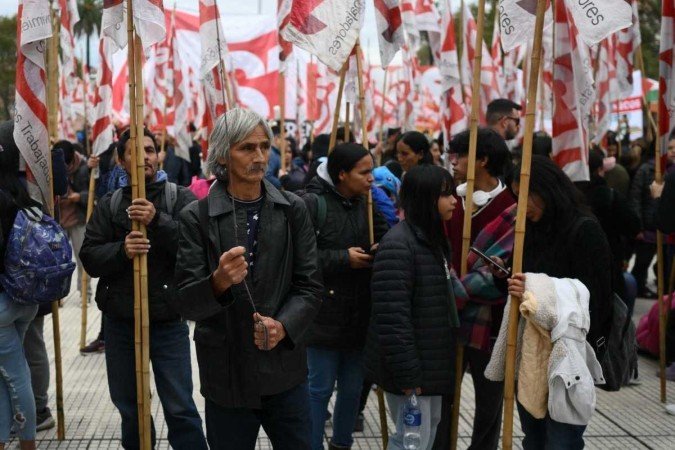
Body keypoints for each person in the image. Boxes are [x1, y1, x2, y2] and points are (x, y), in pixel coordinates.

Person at [174, 108, 322, 450]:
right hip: (226, 374)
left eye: (263, 146)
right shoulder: (196, 218)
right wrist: (218, 281)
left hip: (284, 370)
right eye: (246, 148)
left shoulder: (291, 209)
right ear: (223, 155)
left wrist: (283, 325)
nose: (259, 157)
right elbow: (185, 301)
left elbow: (310, 285)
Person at [80, 128, 207, 450]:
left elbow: (198, 251)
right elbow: (90, 258)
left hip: (167, 322)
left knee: (180, 406)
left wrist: (158, 221)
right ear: (121, 160)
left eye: (149, 150)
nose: (144, 157)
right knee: (130, 406)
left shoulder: (180, 198)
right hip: (120, 324)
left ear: (158, 154)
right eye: (135, 152)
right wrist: (121, 251)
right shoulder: (109, 205)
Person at [494, 155, 613, 449]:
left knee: (562, 441)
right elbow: (522, 283)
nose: (522, 205)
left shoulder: (584, 229)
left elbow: (591, 298)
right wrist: (505, 276)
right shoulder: (529, 229)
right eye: (517, 197)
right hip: (530, 352)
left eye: (527, 196)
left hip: (567, 353)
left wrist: (538, 290)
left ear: (548, 189)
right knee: (533, 439)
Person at [366, 164, 461, 450]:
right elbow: (393, 318)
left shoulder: (432, 240)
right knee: (410, 441)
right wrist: (409, 375)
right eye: (446, 194)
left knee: (424, 436)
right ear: (425, 199)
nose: (455, 201)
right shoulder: (398, 245)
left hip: (429, 364)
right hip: (413, 369)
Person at [301, 143, 389, 450]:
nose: (371, 179)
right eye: (364, 172)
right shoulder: (312, 203)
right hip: (322, 314)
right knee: (319, 389)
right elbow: (301, 257)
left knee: (352, 389)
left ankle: (342, 443)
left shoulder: (368, 203)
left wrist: (380, 250)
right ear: (341, 174)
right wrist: (343, 259)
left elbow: (387, 237)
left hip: (360, 314)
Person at [434, 127, 514, 450]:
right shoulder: (448, 198)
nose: (452, 162)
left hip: (490, 322)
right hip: (444, 316)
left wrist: (459, 287)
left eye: (460, 155)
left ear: (482, 160)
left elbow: (506, 275)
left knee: (489, 406)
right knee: (441, 398)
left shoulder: (513, 206)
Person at [0, 121, 41, 450]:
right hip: (26, 300)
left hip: (1, 304)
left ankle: (27, 443)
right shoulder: (27, 198)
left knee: (16, 375)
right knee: (7, 375)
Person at [579, 148, 640, 315]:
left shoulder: (568, 196)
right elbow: (634, 226)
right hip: (609, 267)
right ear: (601, 170)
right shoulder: (611, 196)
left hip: (574, 273)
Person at [629, 137, 674, 299]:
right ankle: (638, 288)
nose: (673, 151)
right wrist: (638, 226)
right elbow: (635, 199)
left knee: (665, 265)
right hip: (648, 227)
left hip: (667, 230)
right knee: (642, 262)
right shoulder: (646, 170)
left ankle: (665, 291)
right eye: (669, 148)